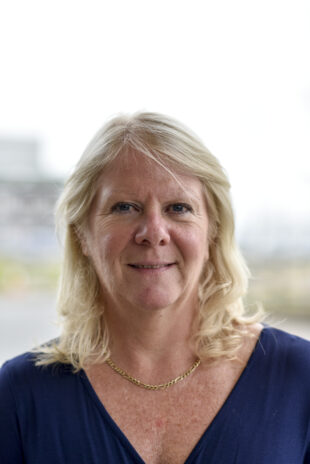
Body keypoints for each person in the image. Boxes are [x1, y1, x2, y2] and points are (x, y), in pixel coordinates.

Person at [0, 112, 310, 464]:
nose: (153, 232)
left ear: (212, 231)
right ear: (81, 234)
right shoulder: (19, 395)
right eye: (124, 207)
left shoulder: (300, 377)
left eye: (179, 208)